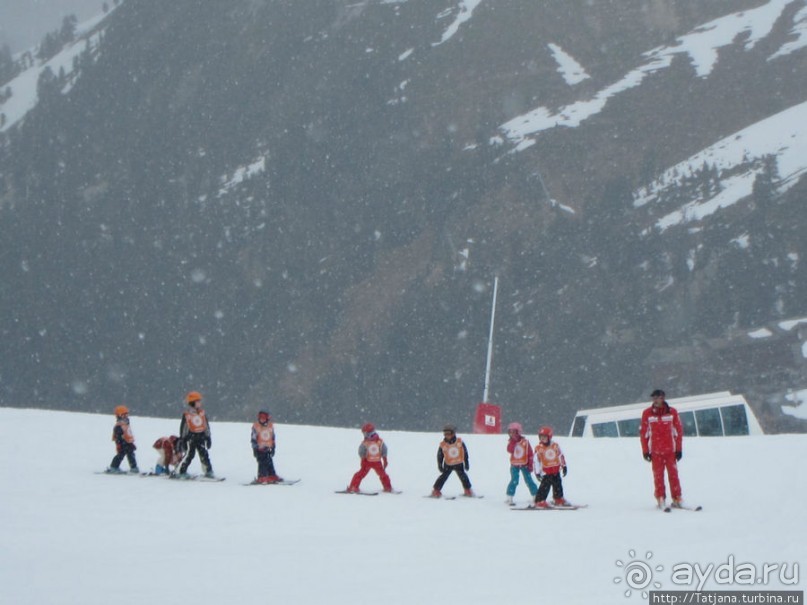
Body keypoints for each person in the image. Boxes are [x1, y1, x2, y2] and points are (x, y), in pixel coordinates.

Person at [640, 389, 684, 508]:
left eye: (657, 397)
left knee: (673, 475)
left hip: (670, 451)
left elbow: (678, 431)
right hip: (655, 452)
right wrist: (645, 451)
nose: (655, 400)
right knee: (658, 476)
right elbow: (644, 433)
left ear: (663, 398)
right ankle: (660, 498)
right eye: (653, 398)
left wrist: (679, 449)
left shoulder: (672, 412)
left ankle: (677, 498)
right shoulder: (647, 413)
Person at [177, 391, 215, 478]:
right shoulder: (187, 414)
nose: (200, 403)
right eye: (198, 401)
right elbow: (184, 428)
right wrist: (183, 439)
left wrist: (208, 437)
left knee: (204, 454)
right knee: (189, 455)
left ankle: (208, 471)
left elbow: (206, 425)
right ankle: (181, 471)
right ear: (193, 402)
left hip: (201, 437)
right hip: (191, 438)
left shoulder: (202, 413)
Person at [346, 423, 393, 493]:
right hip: (375, 462)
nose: (364, 435)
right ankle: (387, 487)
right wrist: (384, 459)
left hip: (369, 462)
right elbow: (384, 450)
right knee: (383, 475)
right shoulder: (379, 442)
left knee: (360, 475)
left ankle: (353, 486)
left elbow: (361, 451)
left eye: (364, 433)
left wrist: (363, 458)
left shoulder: (367, 442)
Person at [431, 424, 474, 498]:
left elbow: (465, 453)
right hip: (448, 464)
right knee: (443, 477)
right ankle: (436, 490)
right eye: (445, 434)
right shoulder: (443, 444)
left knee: (463, 477)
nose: (447, 436)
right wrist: (440, 465)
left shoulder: (459, 442)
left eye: (449, 434)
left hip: (458, 463)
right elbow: (440, 455)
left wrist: (466, 462)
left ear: (453, 433)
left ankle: (468, 490)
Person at [532, 425, 568, 508]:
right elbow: (536, 461)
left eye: (544, 437)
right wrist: (537, 473)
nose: (542, 439)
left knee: (558, 485)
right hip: (546, 472)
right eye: (541, 437)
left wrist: (564, 466)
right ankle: (539, 500)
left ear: (549, 437)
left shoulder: (555, 446)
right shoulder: (539, 448)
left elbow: (560, 456)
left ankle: (558, 498)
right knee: (544, 487)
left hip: (555, 470)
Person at [505, 422, 538, 505]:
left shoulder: (525, 442)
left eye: (514, 432)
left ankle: (536, 495)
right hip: (514, 465)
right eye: (510, 432)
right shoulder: (511, 442)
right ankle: (509, 496)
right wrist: (513, 442)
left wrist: (530, 465)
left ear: (518, 432)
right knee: (514, 480)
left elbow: (530, 453)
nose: (512, 434)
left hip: (525, 464)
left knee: (529, 480)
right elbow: (509, 450)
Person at [251, 410, 283, 483]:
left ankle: (272, 475)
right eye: (261, 418)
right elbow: (253, 438)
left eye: (264, 418)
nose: (262, 419)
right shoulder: (256, 426)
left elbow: (272, 437)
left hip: (268, 448)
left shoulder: (270, 426)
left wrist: (273, 447)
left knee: (269, 462)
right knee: (262, 462)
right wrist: (255, 449)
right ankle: (262, 476)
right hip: (260, 449)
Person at [107, 405, 139, 473]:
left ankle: (134, 467)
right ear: (118, 416)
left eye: (126, 415)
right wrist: (119, 444)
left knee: (131, 454)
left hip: (128, 443)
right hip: (122, 443)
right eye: (123, 415)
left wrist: (131, 443)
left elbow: (128, 434)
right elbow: (118, 436)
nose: (126, 417)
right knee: (120, 455)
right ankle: (114, 467)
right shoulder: (119, 425)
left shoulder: (126, 424)